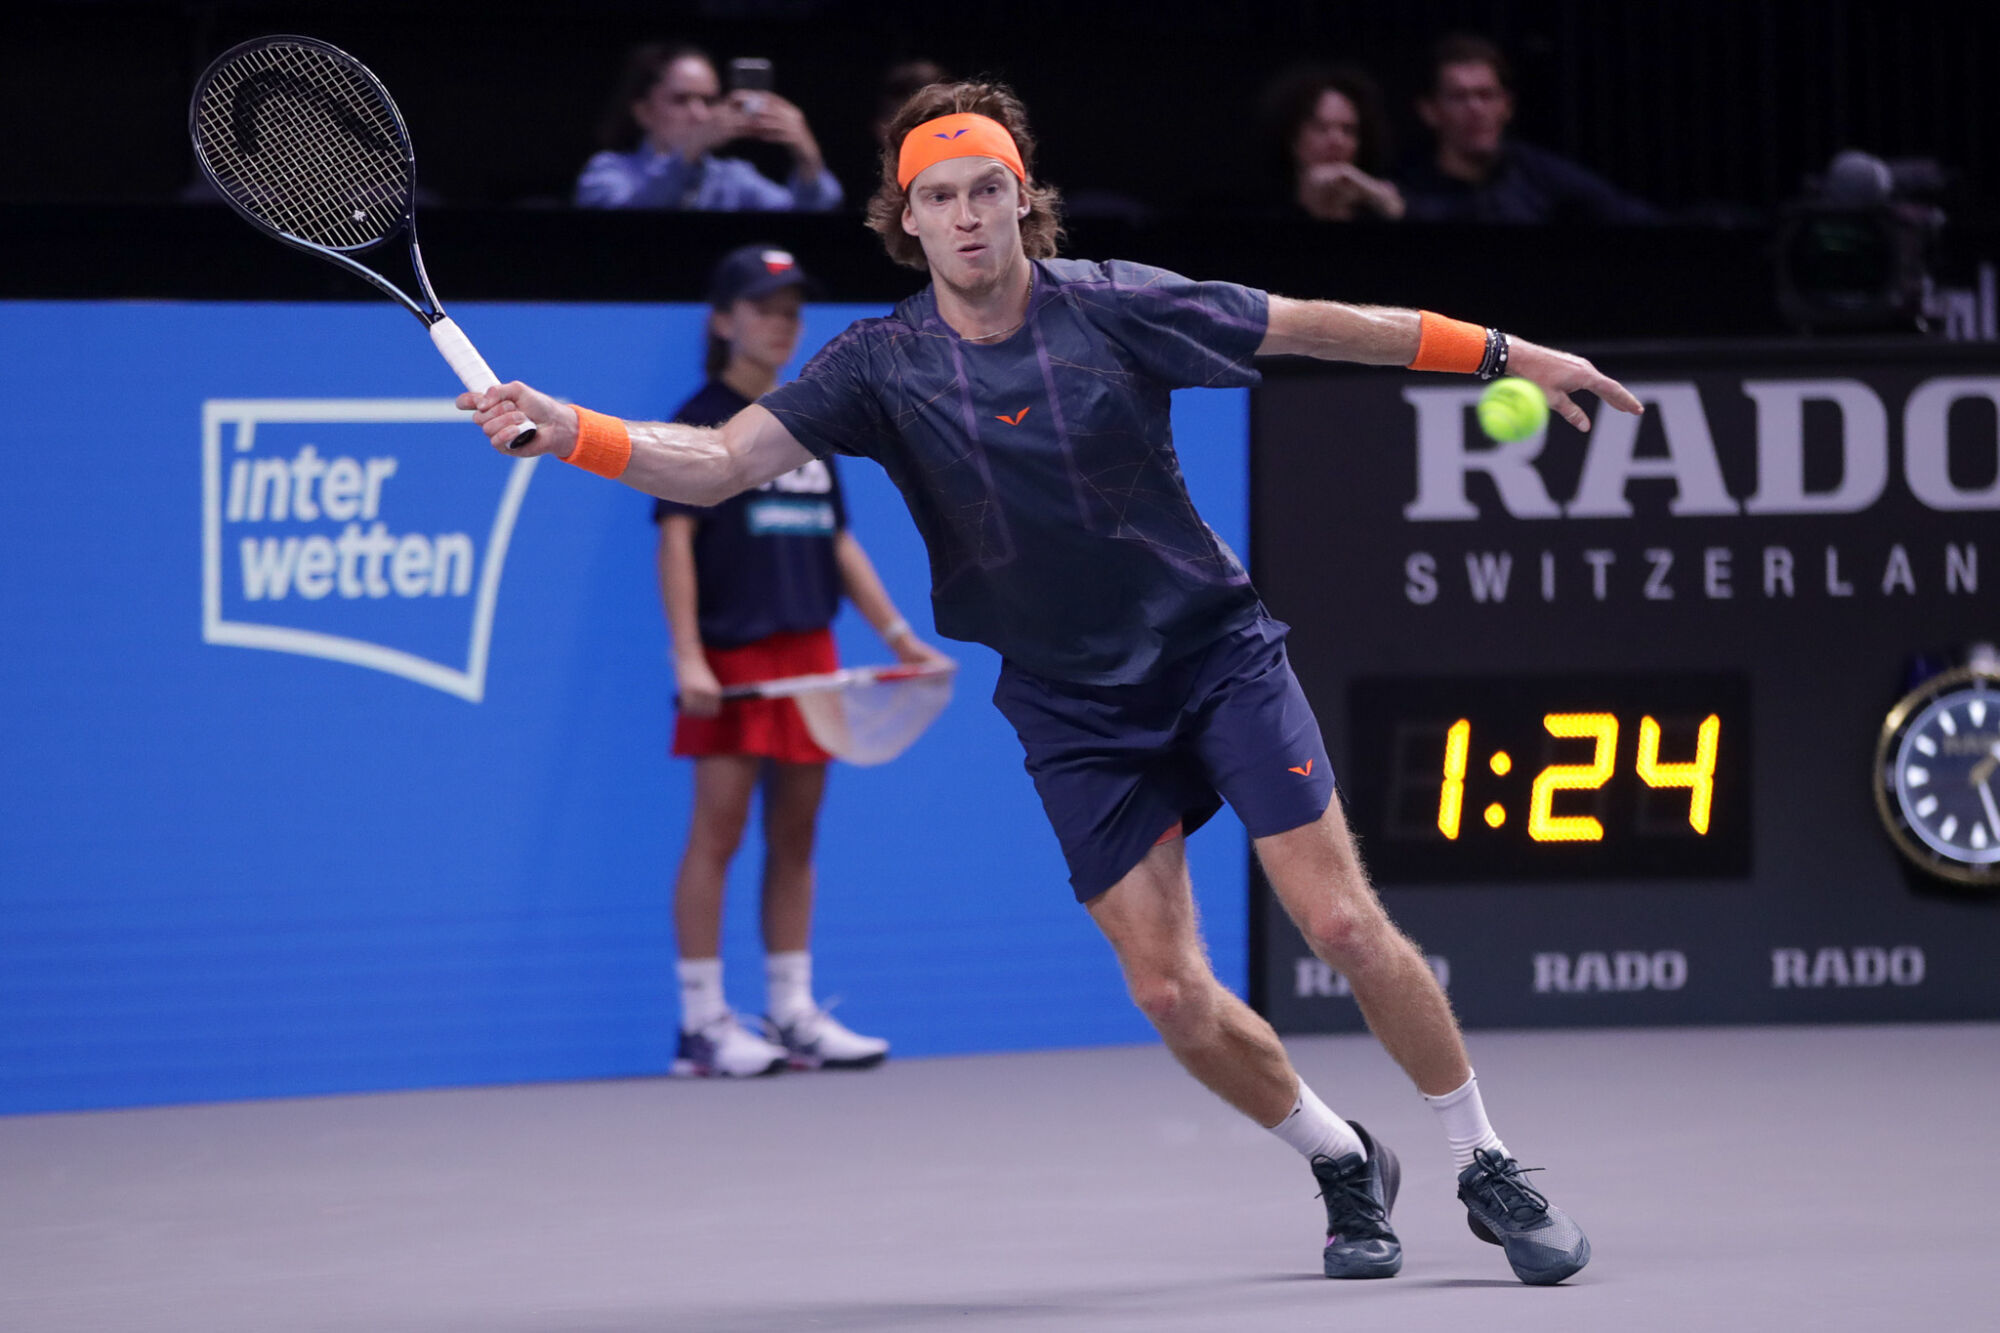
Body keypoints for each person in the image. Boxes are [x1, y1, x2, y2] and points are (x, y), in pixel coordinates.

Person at [463, 79, 1642, 1286]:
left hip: (1212, 654)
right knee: (1167, 992)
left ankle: (1484, 1160)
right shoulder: (877, 365)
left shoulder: (1116, 306)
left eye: (988, 190)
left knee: (1339, 922)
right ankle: (1340, 1155)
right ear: (905, 219)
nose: (967, 215)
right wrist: (569, 430)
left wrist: (1508, 353)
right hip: (1071, 702)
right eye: (939, 197)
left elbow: (1317, 325)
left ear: (1023, 201)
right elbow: (718, 461)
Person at [656, 244, 945, 1077]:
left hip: (810, 654)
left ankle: (790, 1010)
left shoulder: (802, 421)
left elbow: (837, 539)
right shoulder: (697, 420)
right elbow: (675, 540)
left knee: (797, 832)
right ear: (724, 321)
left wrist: (898, 635)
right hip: (732, 658)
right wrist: (689, 657)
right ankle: (702, 1025)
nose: (783, 324)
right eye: (763, 308)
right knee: (717, 833)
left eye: (791, 310)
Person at [1400, 33, 1659, 224]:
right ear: (1429, 110)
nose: (1476, 109)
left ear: (1507, 106)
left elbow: (1635, 217)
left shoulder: (1539, 174)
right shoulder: (1406, 188)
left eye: (1486, 95)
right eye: (1459, 97)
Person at [575, 44, 843, 212]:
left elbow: (809, 221)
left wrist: (808, 159)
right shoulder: (608, 171)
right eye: (681, 100)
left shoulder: (733, 178)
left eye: (709, 100)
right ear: (643, 112)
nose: (700, 114)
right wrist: (688, 154)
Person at [1262, 63, 1404, 221]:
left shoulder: (1378, 212)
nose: (1337, 141)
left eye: (1348, 130)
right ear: (1293, 139)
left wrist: (1388, 205)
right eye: (1320, 128)